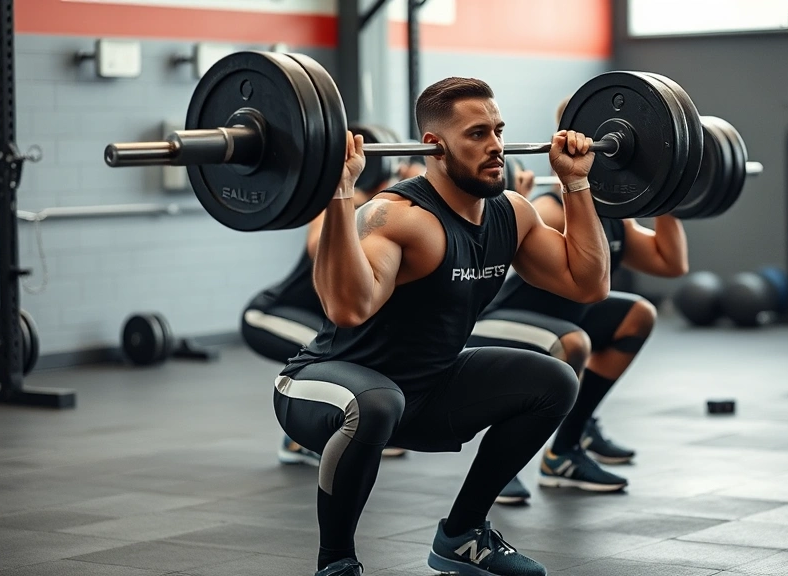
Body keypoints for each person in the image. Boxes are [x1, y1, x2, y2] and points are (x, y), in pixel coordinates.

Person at [275, 77, 610, 576]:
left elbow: (588, 283)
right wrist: (340, 193)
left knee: (554, 380)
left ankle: (463, 534)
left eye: (498, 131)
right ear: (434, 146)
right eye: (477, 134)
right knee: (375, 401)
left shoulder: (510, 214)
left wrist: (575, 183)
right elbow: (349, 309)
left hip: (423, 392)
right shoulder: (396, 217)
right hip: (323, 387)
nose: (496, 146)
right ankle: (336, 561)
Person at [467, 97, 689, 504]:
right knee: (573, 343)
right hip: (502, 320)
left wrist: (666, 192)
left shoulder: (615, 214)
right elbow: (491, 249)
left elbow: (669, 263)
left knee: (638, 315)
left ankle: (564, 452)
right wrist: (507, 199)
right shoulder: (550, 209)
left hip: (567, 319)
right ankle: (502, 467)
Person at [242, 158, 425, 465]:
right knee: (339, 353)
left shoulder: (392, 212)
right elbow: (318, 248)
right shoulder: (342, 204)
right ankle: (300, 439)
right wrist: (352, 202)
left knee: (365, 351)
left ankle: (366, 433)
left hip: (319, 321)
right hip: (270, 314)